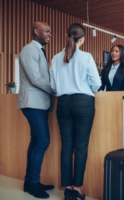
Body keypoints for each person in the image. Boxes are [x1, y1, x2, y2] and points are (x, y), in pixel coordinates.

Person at [50, 23, 101, 200]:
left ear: (67, 35)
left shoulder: (56, 58)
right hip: (83, 104)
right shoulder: (86, 57)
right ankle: (77, 189)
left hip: (63, 104)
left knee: (66, 147)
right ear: (83, 39)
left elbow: (53, 86)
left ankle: (67, 189)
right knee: (80, 147)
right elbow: (96, 84)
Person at [17, 22, 56, 199]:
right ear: (36, 32)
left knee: (35, 142)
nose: (50, 34)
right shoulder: (29, 50)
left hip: (39, 104)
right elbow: (35, 78)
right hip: (33, 104)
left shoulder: (38, 50)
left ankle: (29, 182)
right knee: (42, 141)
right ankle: (33, 184)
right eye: (47, 31)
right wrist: (55, 88)